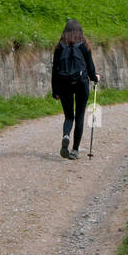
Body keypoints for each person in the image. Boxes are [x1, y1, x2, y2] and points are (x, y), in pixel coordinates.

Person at [51, 19, 99, 160]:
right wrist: (95, 77)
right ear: (79, 31)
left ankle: (66, 135)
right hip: (81, 84)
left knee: (68, 116)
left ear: (65, 31)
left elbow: (54, 70)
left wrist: (55, 91)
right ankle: (75, 150)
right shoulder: (84, 46)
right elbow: (90, 68)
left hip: (64, 83)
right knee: (79, 116)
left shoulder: (59, 47)